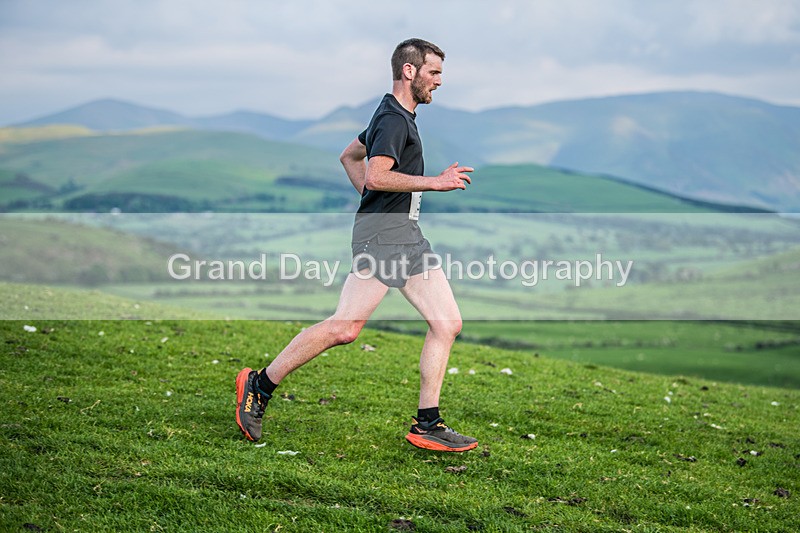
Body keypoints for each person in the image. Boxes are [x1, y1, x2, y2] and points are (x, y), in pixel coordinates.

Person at [235, 38, 477, 452]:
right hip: (383, 238)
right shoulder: (394, 119)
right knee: (345, 328)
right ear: (409, 71)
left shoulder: (394, 115)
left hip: (403, 235)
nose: (439, 81)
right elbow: (377, 175)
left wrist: (372, 202)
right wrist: (434, 182)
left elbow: (349, 157)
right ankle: (260, 384)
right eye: (434, 72)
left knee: (446, 323)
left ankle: (428, 424)